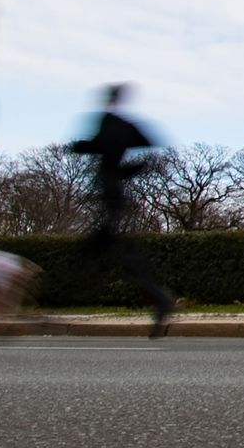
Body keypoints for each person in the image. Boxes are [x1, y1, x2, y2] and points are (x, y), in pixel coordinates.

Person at [69, 84, 175, 339]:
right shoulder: (122, 125)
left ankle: (160, 299)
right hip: (113, 191)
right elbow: (142, 142)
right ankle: (159, 299)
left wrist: (82, 146)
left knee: (104, 251)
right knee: (116, 250)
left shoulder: (110, 122)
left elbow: (104, 145)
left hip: (111, 193)